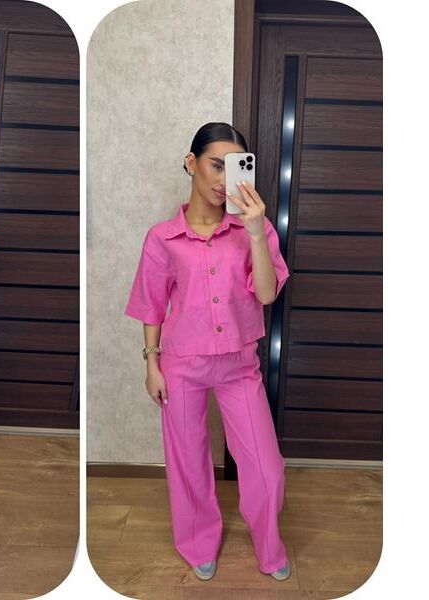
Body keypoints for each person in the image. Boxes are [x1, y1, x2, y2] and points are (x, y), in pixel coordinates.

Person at [124, 122, 291, 581]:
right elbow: (151, 305)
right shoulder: (162, 238)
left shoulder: (255, 230)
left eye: (234, 169)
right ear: (191, 163)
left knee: (267, 468)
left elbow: (266, 294)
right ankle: (198, 542)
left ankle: (270, 545)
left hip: (239, 365)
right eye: (216, 166)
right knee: (189, 463)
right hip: (182, 365)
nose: (223, 180)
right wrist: (152, 364)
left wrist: (255, 232)